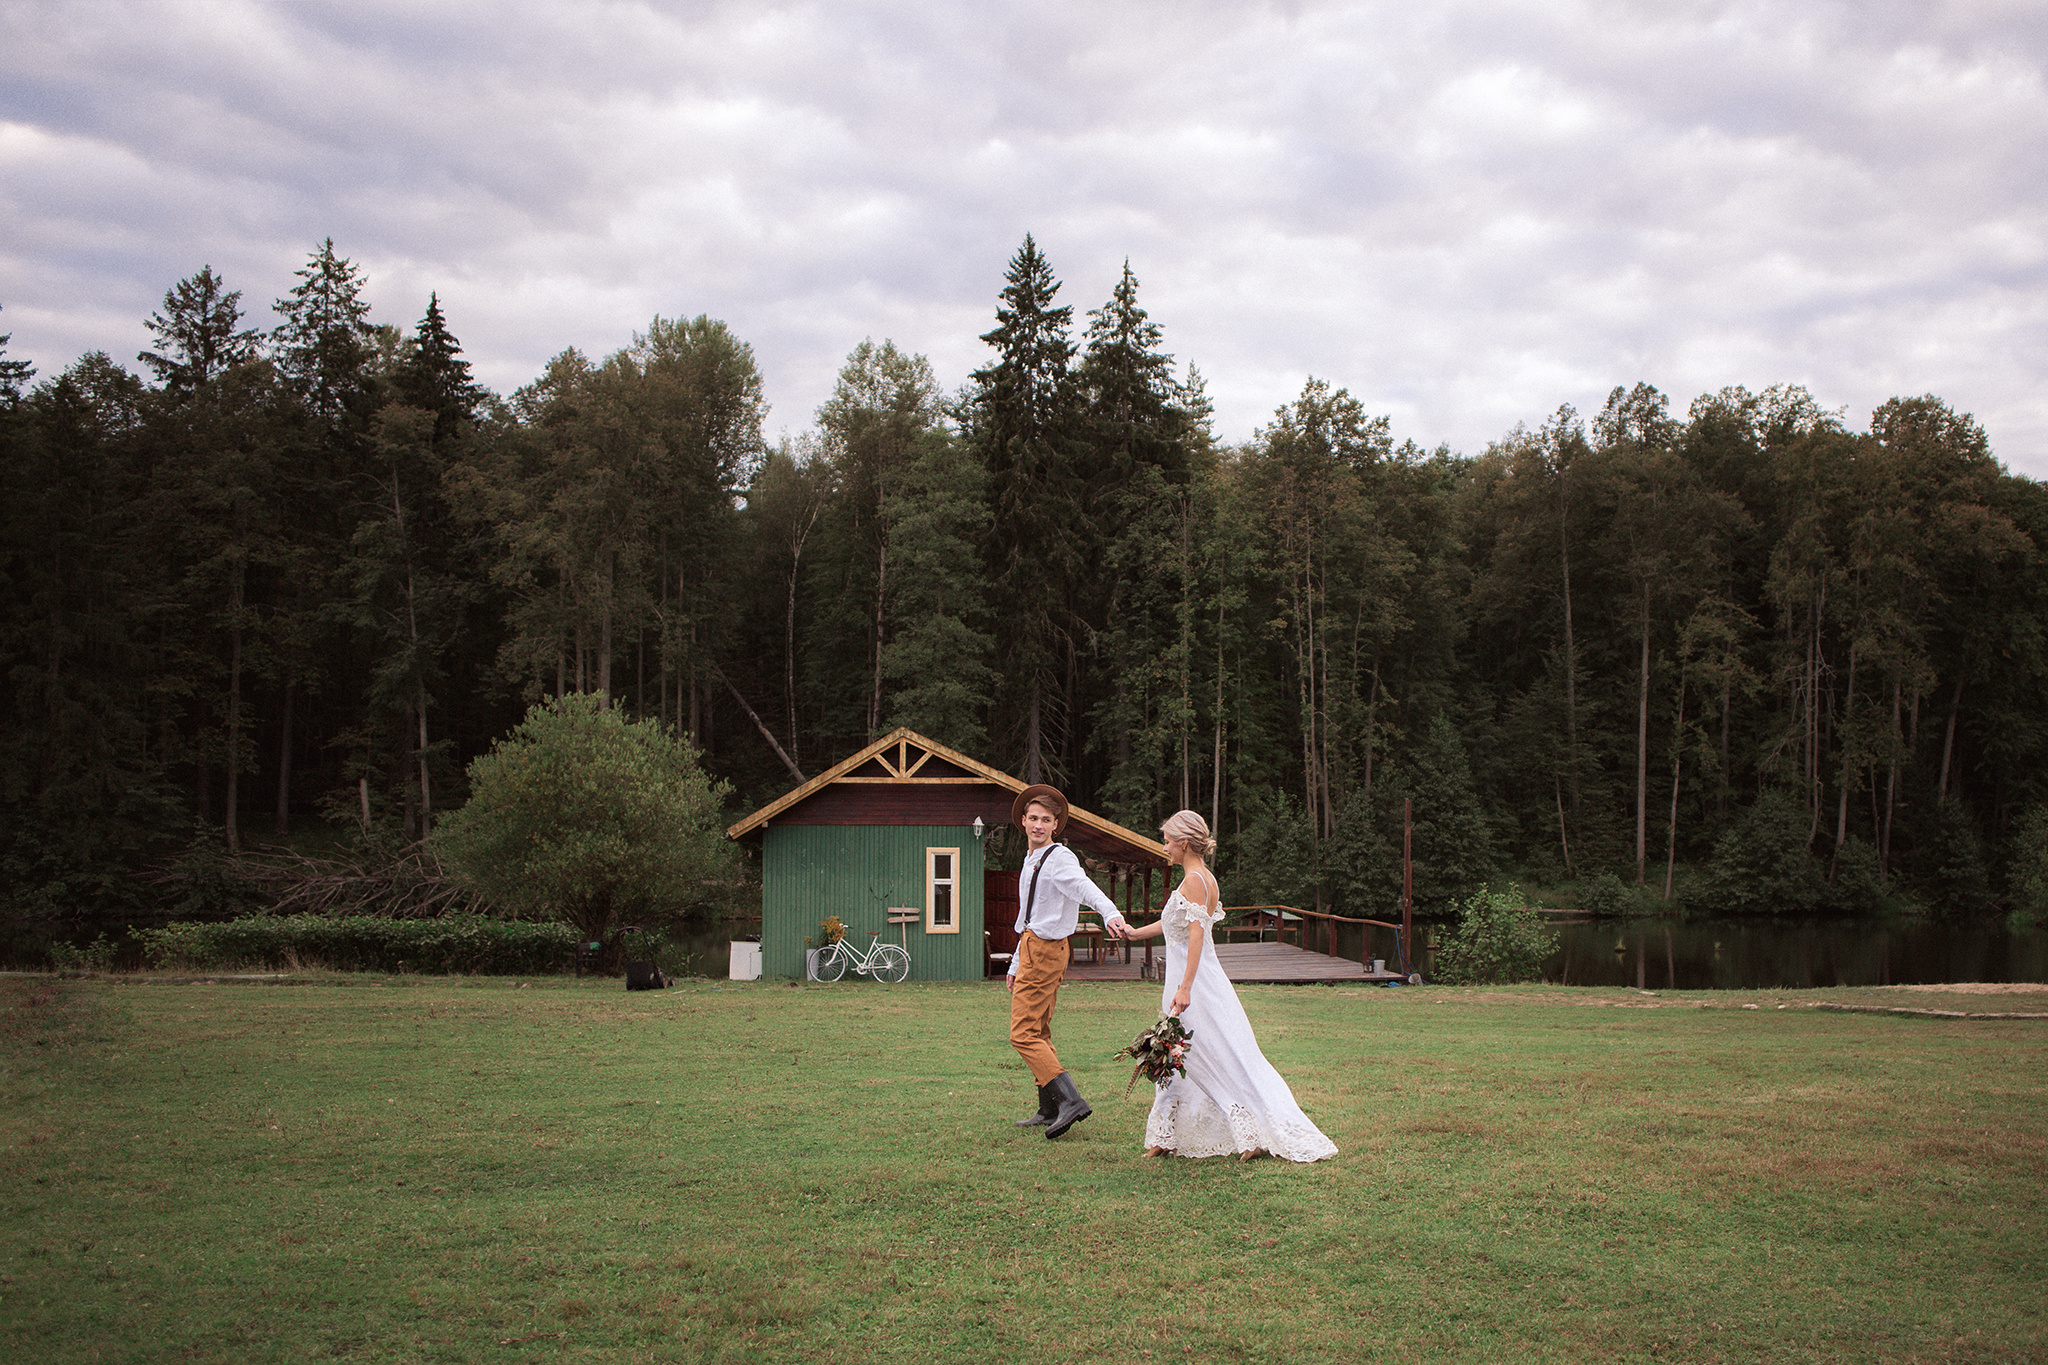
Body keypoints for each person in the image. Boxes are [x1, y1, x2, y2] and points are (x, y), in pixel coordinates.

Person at [1120, 810, 1337, 1162]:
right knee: (1174, 1053)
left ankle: (1247, 1128)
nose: (1165, 847)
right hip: (1195, 981)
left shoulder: (1194, 880)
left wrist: (1185, 987)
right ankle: (1165, 1134)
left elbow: (1195, 936)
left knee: (1197, 1056)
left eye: (1168, 841)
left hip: (1195, 985)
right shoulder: (1202, 877)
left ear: (1185, 843)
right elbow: (1173, 923)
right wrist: (1133, 933)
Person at [1005, 784, 1130, 1139]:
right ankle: (1048, 1108)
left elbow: (1085, 887)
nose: (1039, 825)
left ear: (1056, 825)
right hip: (1034, 947)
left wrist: (1109, 913)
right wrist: (1016, 963)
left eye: (1046, 820)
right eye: (1033, 819)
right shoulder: (1032, 860)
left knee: (1022, 1034)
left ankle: (1071, 1101)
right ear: (1024, 822)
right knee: (1039, 1030)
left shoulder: (1059, 858)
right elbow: (1030, 915)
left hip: (1044, 951)